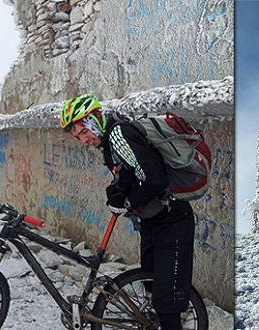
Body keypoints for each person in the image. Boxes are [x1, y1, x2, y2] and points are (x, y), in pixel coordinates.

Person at [59, 94, 195, 330]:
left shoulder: (119, 134)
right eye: (78, 137)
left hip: (173, 221)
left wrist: (129, 202)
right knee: (152, 287)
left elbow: (154, 179)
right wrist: (115, 192)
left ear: (93, 120)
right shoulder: (110, 142)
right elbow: (127, 172)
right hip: (154, 222)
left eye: (83, 132)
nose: (83, 140)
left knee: (167, 300)